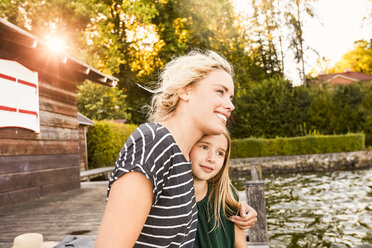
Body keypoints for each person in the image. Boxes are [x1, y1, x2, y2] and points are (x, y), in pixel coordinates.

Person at [94, 50, 257, 248]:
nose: (230, 105)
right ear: (185, 91)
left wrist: (237, 208)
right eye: (220, 92)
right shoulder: (153, 144)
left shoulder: (183, 158)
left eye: (231, 97)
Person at [191, 130, 247, 248]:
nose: (212, 158)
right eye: (204, 147)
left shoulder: (227, 197)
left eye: (220, 153)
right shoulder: (165, 199)